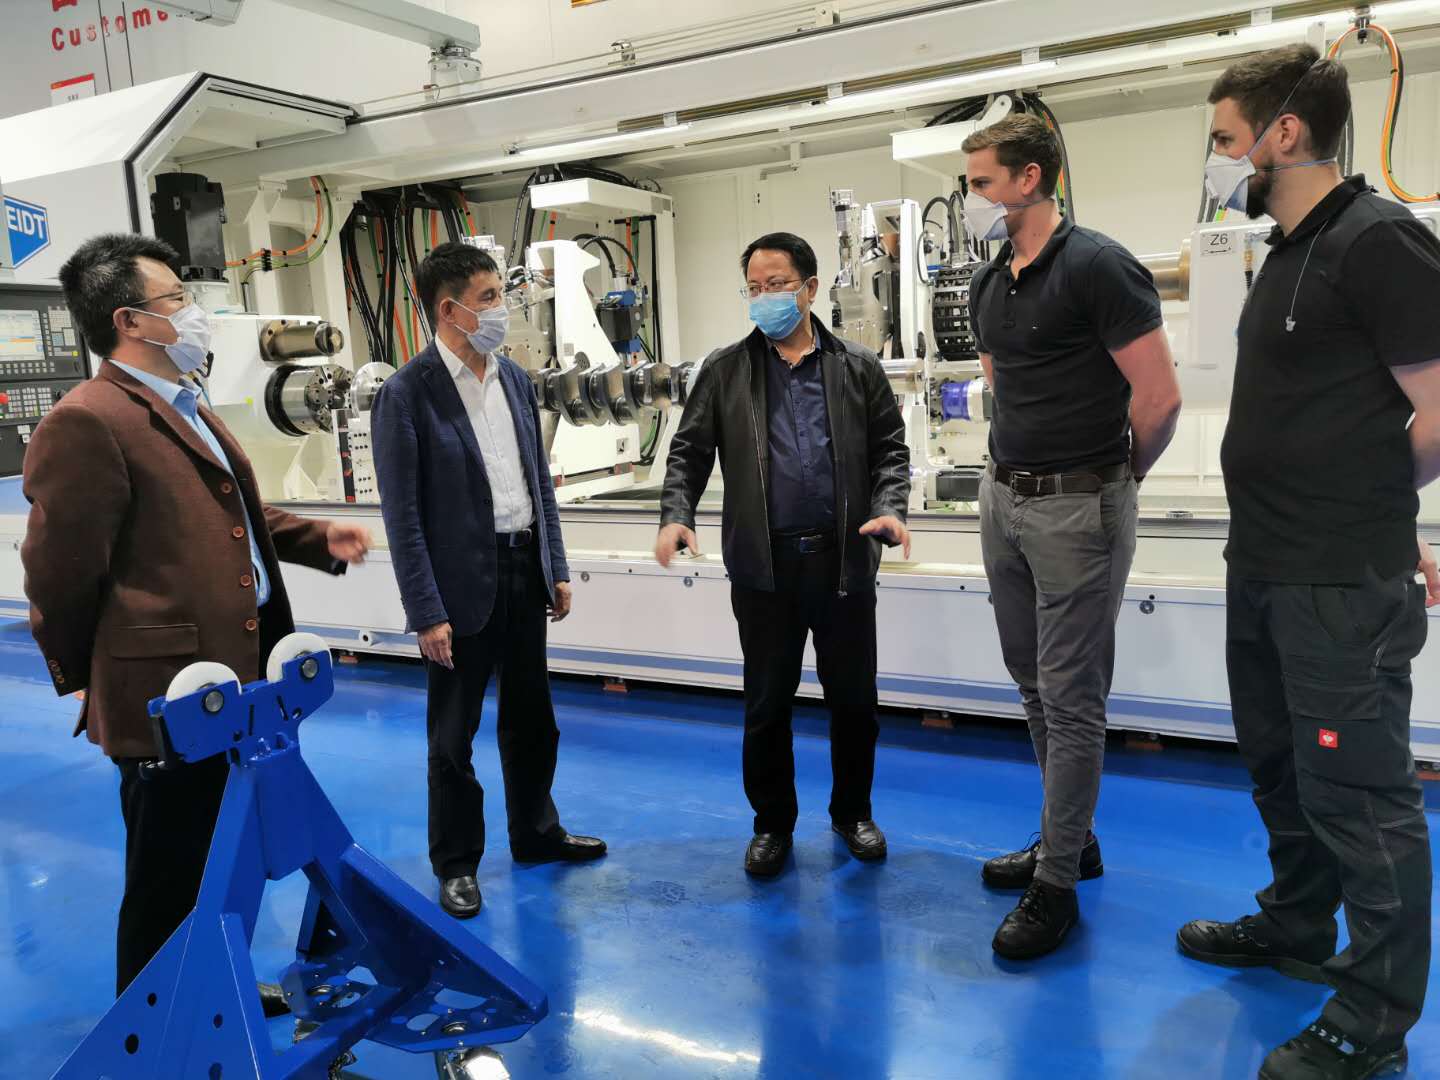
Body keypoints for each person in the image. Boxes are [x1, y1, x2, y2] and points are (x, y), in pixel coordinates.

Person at [1176, 44, 1440, 1080]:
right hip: (1267, 563)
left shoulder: (1379, 240)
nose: (1217, 157)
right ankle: (1296, 921)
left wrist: (1377, 510)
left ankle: (1372, 1019)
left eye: (1225, 137)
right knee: (1281, 766)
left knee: (1359, 796)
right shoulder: (1288, 250)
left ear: (1284, 133)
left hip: (1336, 577)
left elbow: (1436, 409)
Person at [22, 233, 371, 1001]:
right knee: (170, 874)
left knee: (227, 858)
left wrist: (314, 538)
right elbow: (59, 572)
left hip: (236, 684)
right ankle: (153, 1027)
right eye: (177, 298)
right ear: (131, 321)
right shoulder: (89, 421)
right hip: (167, 693)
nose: (195, 311)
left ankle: (217, 989)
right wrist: (84, 676)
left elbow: (230, 516)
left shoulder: (183, 403)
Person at [961, 113, 1182, 959]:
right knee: (1032, 683)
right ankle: (1071, 841)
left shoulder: (1098, 266)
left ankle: (1056, 888)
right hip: (1004, 498)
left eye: (981, 183)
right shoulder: (991, 282)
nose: (972, 199)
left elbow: (1158, 398)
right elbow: (1002, 385)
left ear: (1029, 179)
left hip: (1079, 504)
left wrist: (1116, 480)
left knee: (1072, 696)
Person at [655, 231, 911, 878]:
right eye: (755, 287)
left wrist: (891, 506)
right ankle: (772, 824)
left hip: (843, 562)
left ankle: (853, 813)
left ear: (810, 288)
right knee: (767, 704)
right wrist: (676, 515)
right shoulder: (725, 370)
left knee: (854, 701)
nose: (764, 297)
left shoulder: (857, 367)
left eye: (777, 285)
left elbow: (890, 450)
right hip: (764, 569)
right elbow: (688, 453)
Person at [370, 242, 604, 921]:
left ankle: (536, 833)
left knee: (534, 723)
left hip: (523, 570)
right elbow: (402, 517)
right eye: (491, 298)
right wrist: (425, 611)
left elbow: (539, 486)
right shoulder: (406, 395)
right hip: (457, 589)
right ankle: (457, 864)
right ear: (450, 310)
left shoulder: (515, 382)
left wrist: (555, 566)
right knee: (453, 738)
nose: (503, 309)